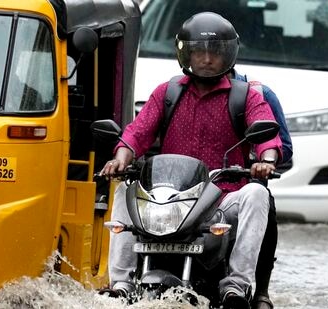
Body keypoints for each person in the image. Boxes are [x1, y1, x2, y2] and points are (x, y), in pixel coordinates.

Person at [99, 12, 283, 309]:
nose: (207, 59)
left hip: (222, 200)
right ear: (186, 53)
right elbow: (137, 132)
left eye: (214, 52)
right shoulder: (167, 92)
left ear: (229, 54)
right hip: (169, 198)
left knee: (258, 193)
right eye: (199, 52)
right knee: (125, 188)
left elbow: (266, 134)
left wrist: (267, 160)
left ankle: (236, 286)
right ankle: (121, 283)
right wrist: (121, 158)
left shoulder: (246, 96)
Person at [230, 68, 293, 309]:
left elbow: (284, 147)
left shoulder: (260, 95)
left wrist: (263, 161)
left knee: (265, 205)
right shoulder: (180, 92)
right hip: (199, 185)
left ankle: (262, 291)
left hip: (246, 183)